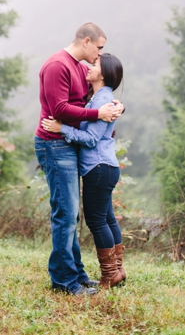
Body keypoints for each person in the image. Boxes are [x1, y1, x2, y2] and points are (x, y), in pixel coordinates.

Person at [34, 23, 123, 296]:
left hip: (68, 143)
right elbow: (60, 108)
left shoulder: (81, 67)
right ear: (86, 41)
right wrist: (99, 116)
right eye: (99, 47)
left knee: (71, 213)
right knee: (66, 214)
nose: (100, 55)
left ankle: (78, 275)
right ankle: (64, 282)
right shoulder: (57, 66)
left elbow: (98, 96)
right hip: (54, 144)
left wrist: (116, 107)